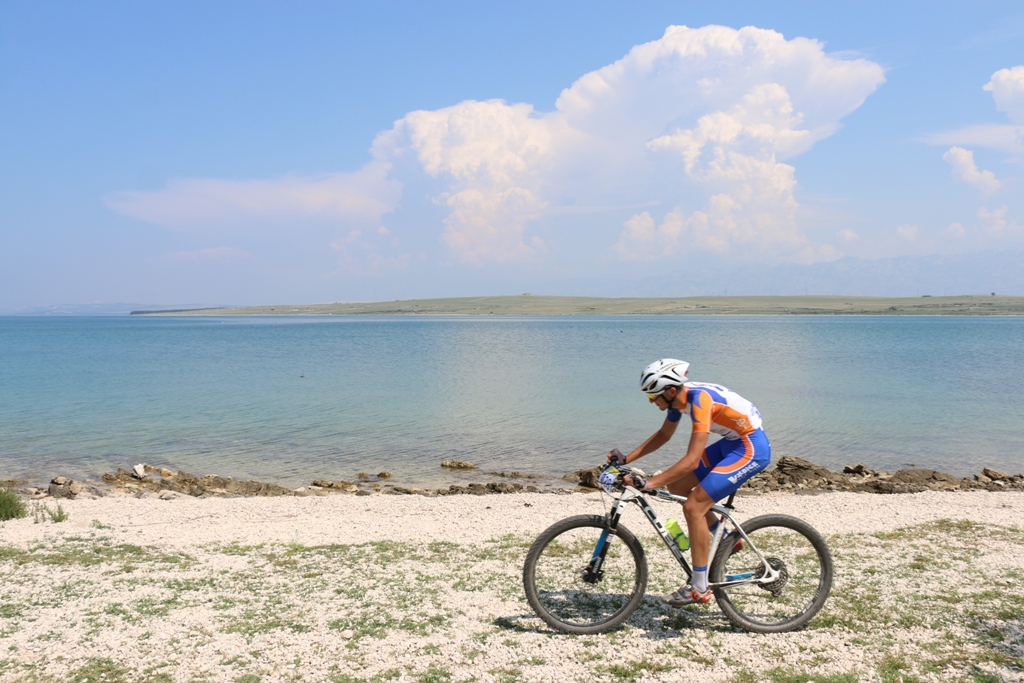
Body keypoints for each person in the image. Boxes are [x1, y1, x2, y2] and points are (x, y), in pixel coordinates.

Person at [608, 358, 771, 606]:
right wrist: (626, 458)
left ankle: (699, 587)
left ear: (671, 391)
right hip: (732, 442)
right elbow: (664, 435)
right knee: (677, 487)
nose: (652, 402)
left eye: (654, 397)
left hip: (750, 447)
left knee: (694, 506)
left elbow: (692, 460)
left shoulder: (699, 402)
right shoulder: (677, 399)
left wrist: (650, 483)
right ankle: (725, 538)